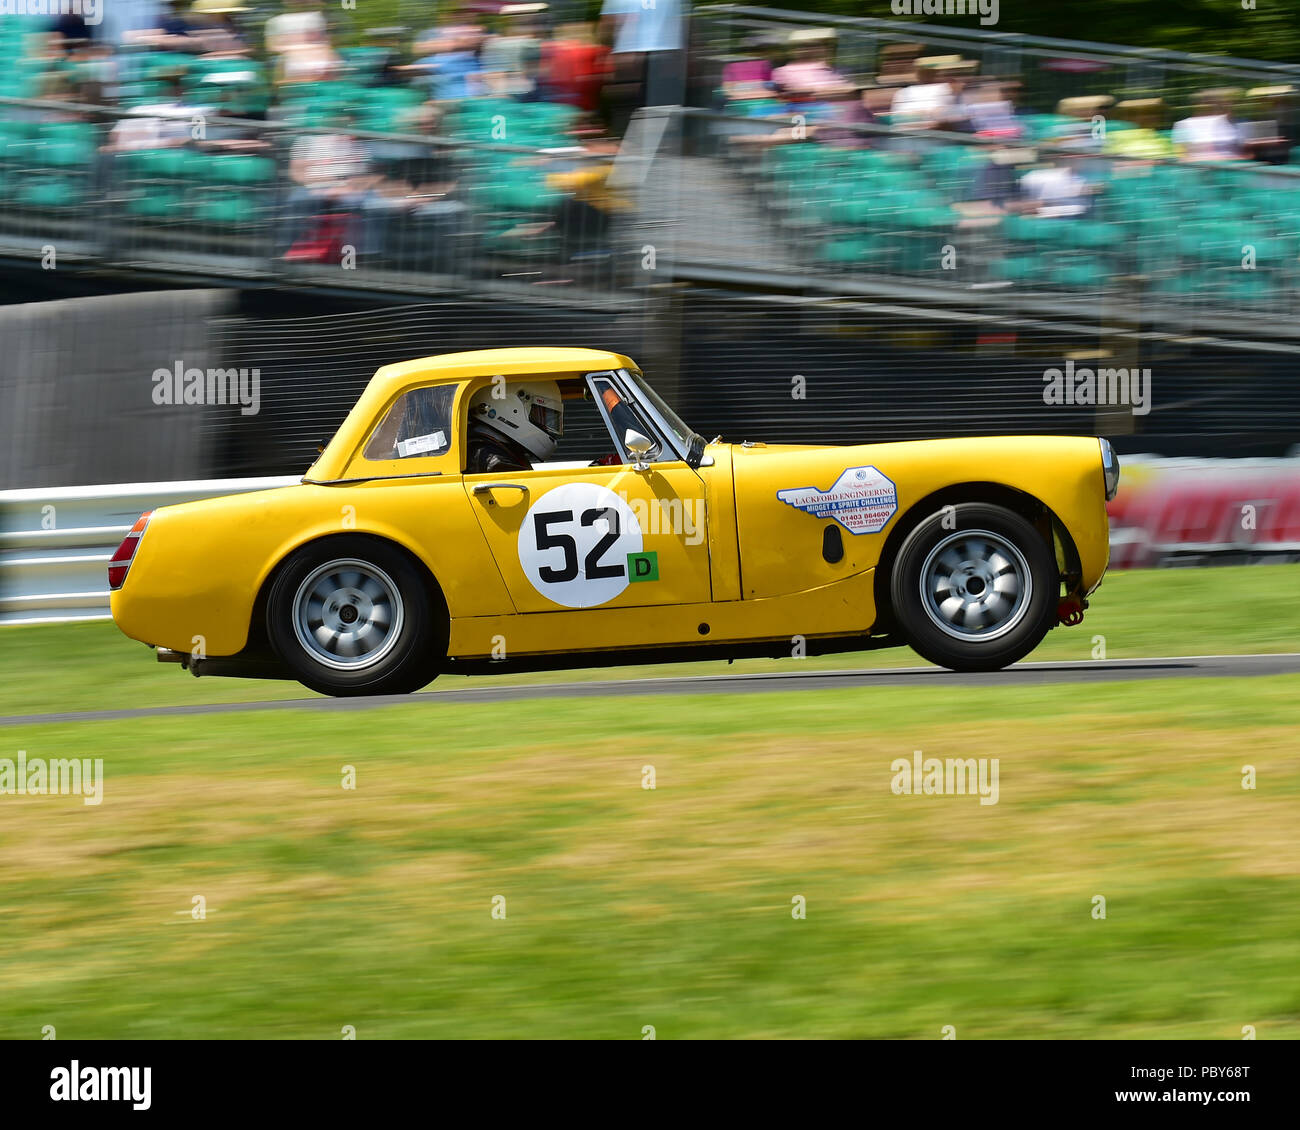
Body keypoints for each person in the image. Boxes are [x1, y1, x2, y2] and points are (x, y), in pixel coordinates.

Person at [465, 381, 564, 473]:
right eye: (537, 414)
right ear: (510, 407)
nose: (544, 425)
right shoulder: (496, 462)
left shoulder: (490, 448)